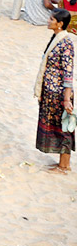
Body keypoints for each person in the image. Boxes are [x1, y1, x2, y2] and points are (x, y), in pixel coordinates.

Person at [35, 9, 74, 174]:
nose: (48, 20)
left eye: (51, 19)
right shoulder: (56, 39)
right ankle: (61, 163)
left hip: (59, 94)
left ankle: (64, 165)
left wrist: (66, 99)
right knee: (56, 126)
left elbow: (68, 74)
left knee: (63, 127)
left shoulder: (65, 43)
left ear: (60, 24)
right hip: (50, 92)